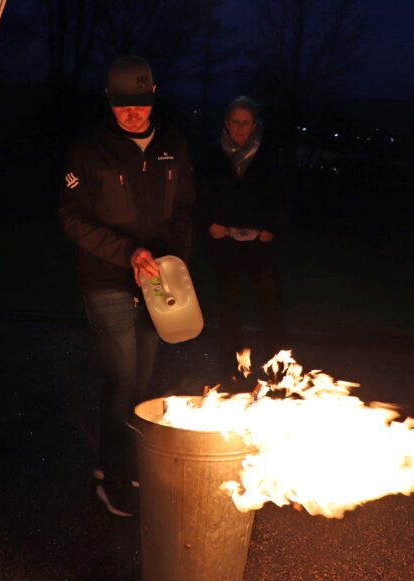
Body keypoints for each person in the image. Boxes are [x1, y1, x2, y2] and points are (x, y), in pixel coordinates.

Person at [59, 56, 194, 517]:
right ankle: (111, 474)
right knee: (122, 377)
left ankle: (123, 464)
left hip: (156, 281)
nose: (131, 113)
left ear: (153, 94)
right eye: (121, 104)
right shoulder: (90, 151)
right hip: (107, 278)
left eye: (139, 102)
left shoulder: (173, 146)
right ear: (109, 100)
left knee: (141, 379)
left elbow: (184, 210)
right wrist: (127, 253)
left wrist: (173, 262)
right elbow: (72, 217)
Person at [197, 96, 286, 383]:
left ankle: (278, 372)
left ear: (254, 125)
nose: (240, 128)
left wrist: (271, 228)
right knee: (228, 308)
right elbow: (199, 196)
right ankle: (231, 373)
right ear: (226, 123)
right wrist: (210, 224)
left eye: (246, 123)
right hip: (225, 246)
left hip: (261, 246)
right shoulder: (212, 156)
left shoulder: (269, 156)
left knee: (270, 307)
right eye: (235, 122)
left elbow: (282, 197)